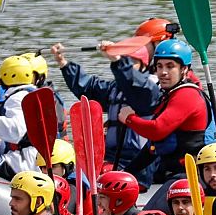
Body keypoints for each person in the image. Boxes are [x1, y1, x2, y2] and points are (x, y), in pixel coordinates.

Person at [48, 23, 168, 169]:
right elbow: (88, 87)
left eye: (133, 63)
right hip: (112, 158)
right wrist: (64, 63)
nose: (128, 65)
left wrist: (118, 61)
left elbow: (135, 85)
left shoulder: (153, 89)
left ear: (144, 66)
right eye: (126, 61)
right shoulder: (114, 88)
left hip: (140, 161)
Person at [117, 40, 215, 186]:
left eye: (170, 67)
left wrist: (129, 119)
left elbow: (157, 130)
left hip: (193, 176)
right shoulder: (170, 94)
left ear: (184, 69)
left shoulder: (187, 94)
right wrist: (125, 174)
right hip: (173, 172)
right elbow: (152, 147)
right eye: (159, 66)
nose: (163, 72)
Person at [0, 55, 41, 178]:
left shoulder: (17, 98)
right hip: (34, 158)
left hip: (22, 164)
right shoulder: (34, 95)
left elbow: (16, 132)